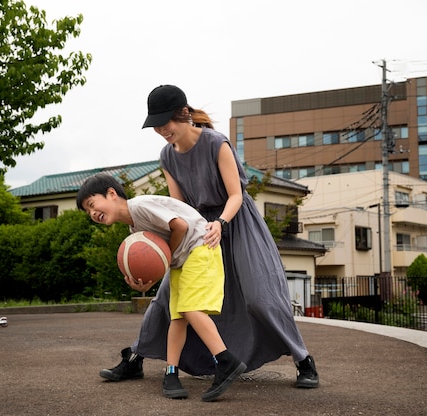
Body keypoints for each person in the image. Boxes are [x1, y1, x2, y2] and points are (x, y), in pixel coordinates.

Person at [100, 84, 319, 388]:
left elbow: (235, 195)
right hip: (197, 229)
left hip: (237, 223)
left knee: (260, 295)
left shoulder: (217, 143)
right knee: (168, 297)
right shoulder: (167, 156)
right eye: (157, 125)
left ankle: (303, 360)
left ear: (185, 114)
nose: (162, 130)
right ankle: (136, 359)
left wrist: (221, 223)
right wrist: (159, 256)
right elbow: (178, 208)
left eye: (167, 122)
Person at [76, 173, 246, 401]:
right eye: (88, 212)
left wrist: (165, 259)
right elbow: (159, 257)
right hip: (182, 259)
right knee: (177, 317)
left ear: (111, 194)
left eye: (91, 204)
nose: (92, 213)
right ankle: (171, 373)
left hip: (200, 247)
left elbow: (181, 226)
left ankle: (226, 361)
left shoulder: (140, 206)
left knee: (190, 309)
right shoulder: (134, 231)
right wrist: (145, 282)